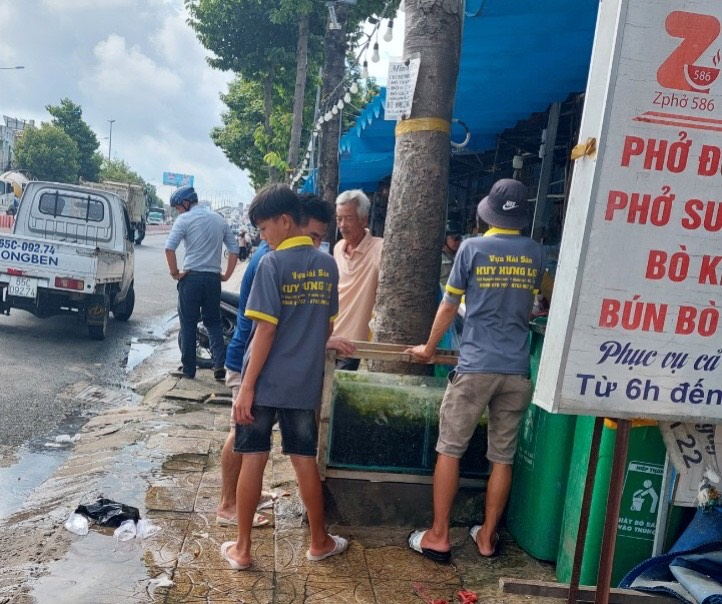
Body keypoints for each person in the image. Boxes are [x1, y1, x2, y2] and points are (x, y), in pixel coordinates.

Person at [405, 178, 544, 562]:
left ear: (487, 214)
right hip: (517, 369)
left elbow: (449, 305)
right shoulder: (535, 252)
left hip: (476, 366)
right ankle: (486, 537)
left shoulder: (472, 248)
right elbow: (532, 303)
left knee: (449, 450)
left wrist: (428, 348)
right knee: (502, 456)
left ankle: (438, 536)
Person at [221, 184, 347, 570]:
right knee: (304, 461)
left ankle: (242, 550)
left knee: (253, 459)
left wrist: (246, 386)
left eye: (263, 228)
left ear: (285, 221)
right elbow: (326, 328)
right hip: (302, 386)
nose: (262, 237)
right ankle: (319, 541)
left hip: (263, 384)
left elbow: (265, 332)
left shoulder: (271, 265)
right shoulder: (327, 265)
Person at [165, 185, 239, 380]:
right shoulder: (219, 220)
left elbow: (169, 249)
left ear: (186, 203)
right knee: (213, 322)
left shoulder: (184, 219)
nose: (178, 211)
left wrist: (175, 273)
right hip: (213, 280)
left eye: (178, 207)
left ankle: (189, 370)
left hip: (191, 279)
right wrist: (226, 275)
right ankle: (218, 367)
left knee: (188, 324)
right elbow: (234, 250)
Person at [333, 189, 383, 370]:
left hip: (353, 344)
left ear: (364, 219)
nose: (342, 225)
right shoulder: (338, 248)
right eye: (339, 219)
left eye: (348, 218)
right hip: (330, 338)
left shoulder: (379, 249)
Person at [439, 222, 463, 287]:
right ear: (444, 239)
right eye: (453, 238)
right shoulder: (438, 257)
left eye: (459, 238)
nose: (457, 241)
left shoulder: (462, 256)